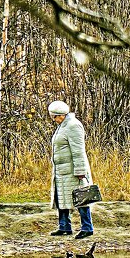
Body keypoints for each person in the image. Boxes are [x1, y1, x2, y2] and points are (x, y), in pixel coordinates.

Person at [47, 100, 94, 239]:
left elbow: (78, 151)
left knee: (81, 197)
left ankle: (87, 227)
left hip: (73, 171)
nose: (54, 120)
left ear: (60, 115)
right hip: (61, 171)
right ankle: (64, 227)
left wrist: (80, 171)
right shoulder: (62, 126)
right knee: (60, 197)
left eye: (54, 117)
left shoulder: (73, 126)